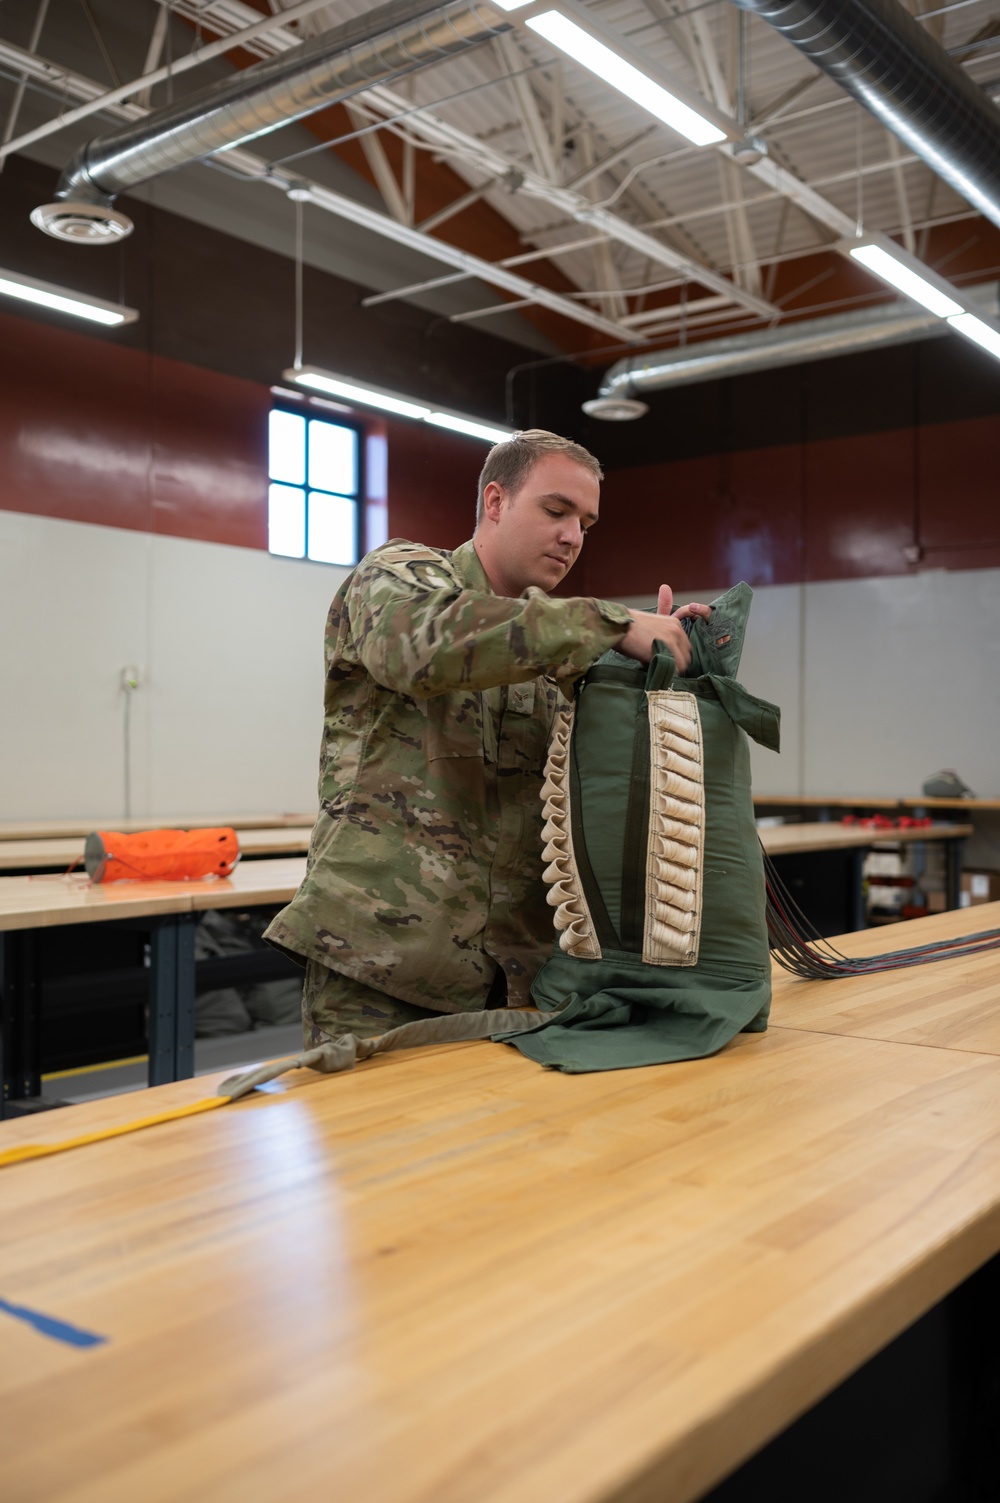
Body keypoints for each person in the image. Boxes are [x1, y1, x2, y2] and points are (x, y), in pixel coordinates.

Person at [264, 429, 708, 1046]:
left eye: (587, 522)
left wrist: (654, 674)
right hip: (383, 970)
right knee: (370, 1145)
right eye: (556, 511)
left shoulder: (564, 647)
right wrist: (610, 624)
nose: (573, 536)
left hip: (519, 980)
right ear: (495, 502)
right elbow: (419, 648)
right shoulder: (399, 576)